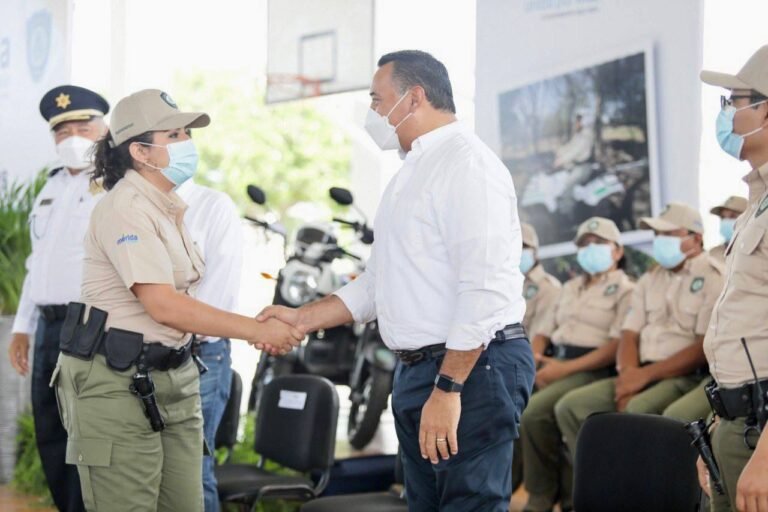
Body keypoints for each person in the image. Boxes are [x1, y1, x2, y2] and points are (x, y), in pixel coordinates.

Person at [257, 50, 535, 511]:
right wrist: (302, 318)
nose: (372, 111)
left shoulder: (467, 166)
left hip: (471, 370)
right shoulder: (411, 173)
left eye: (376, 98)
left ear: (414, 98)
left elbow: (485, 289)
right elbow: (377, 282)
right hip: (417, 369)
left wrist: (448, 389)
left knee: (469, 505)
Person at [52, 89, 302, 511]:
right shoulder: (123, 207)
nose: (188, 143)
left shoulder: (169, 206)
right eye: (175, 134)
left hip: (175, 374)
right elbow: (164, 305)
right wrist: (259, 331)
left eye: (186, 132)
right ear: (141, 152)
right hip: (115, 384)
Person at [7, 85, 110, 512]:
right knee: (51, 429)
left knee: (89, 435)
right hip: (49, 325)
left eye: (84, 127)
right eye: (62, 130)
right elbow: (38, 262)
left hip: (93, 323)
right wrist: (21, 327)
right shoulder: (50, 188)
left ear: (104, 129)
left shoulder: (119, 184)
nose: (73, 138)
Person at [554, 203, 724, 461]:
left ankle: (646, 491)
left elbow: (702, 347)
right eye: (657, 235)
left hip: (685, 374)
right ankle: (599, 486)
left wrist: (641, 378)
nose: (660, 241)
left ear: (696, 239)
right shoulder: (649, 279)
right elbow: (629, 334)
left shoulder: (713, 276)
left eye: (668, 235)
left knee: (638, 409)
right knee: (571, 407)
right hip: (641, 370)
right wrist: (628, 376)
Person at [521, 217, 634, 512]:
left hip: (592, 368)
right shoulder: (569, 288)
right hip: (557, 360)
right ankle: (543, 495)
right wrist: (535, 362)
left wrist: (563, 369)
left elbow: (615, 346)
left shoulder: (626, 289)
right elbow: (544, 330)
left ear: (618, 251)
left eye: (599, 243)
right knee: (524, 410)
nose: (591, 249)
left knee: (544, 411)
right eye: (585, 244)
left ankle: (566, 499)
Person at [698, 45, 768, 512]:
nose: (727, 114)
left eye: (735, 101)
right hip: (737, 421)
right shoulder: (756, 201)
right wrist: (718, 419)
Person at [176, 178, 243, 512]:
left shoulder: (213, 206)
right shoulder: (133, 204)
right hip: (149, 358)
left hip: (199, 355)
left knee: (193, 471)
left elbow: (216, 302)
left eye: (182, 133)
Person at [512, 222, 562, 494]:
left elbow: (539, 340)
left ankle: (516, 487)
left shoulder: (548, 287)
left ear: (535, 252)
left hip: (528, 364)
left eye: (523, 247)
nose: (517, 251)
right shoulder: (498, 281)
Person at [708, 195, 747, 263]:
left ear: (748, 218)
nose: (725, 221)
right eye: (722, 217)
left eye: (732, 216)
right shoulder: (712, 254)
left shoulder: (760, 252)